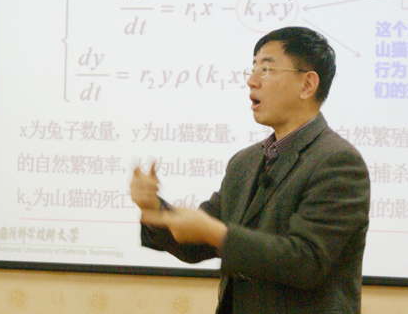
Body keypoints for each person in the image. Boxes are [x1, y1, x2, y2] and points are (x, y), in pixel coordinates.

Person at [130, 26, 371, 314]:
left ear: (307, 85)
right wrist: (154, 210)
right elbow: (197, 242)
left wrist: (217, 233)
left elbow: (306, 262)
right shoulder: (244, 162)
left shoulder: (338, 161)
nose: (251, 81)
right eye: (253, 68)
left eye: (266, 69)